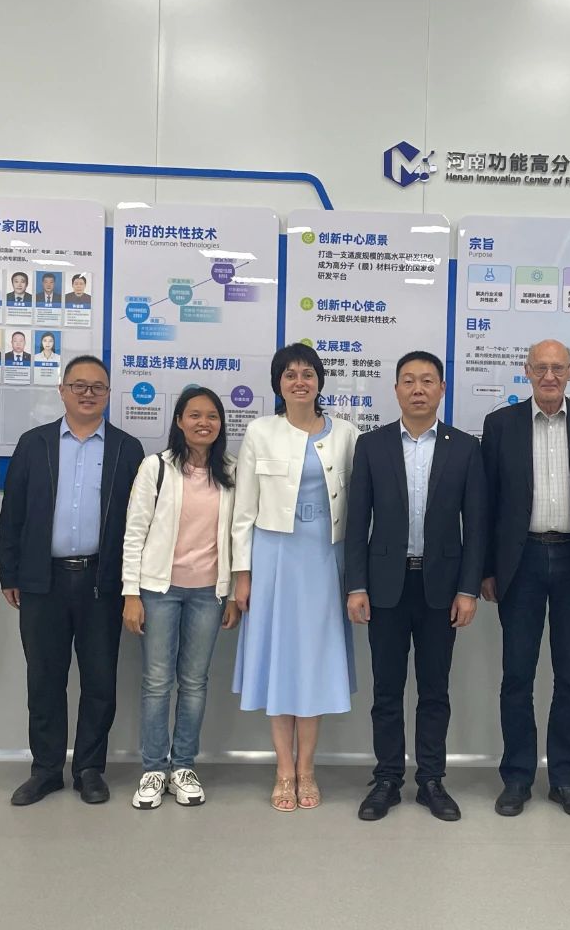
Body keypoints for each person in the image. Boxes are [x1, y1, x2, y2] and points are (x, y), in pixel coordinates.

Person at [346, 351, 487, 822]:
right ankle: (387, 778)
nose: (418, 389)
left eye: (427, 380)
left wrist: (468, 589)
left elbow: (476, 526)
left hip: (441, 588)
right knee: (386, 689)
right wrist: (356, 584)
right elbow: (357, 521)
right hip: (385, 586)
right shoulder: (372, 445)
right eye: (408, 380)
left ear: (442, 389)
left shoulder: (464, 447)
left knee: (434, 690)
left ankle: (430, 780)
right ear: (396, 390)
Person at [0, 356, 145, 806]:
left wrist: (131, 583)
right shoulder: (34, 443)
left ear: (108, 395)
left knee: (100, 680)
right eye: (78, 385)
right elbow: (13, 512)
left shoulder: (127, 449)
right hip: (43, 580)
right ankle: (45, 770)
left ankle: (89, 769)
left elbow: (138, 521)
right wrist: (10, 572)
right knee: (44, 679)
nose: (87, 393)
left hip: (102, 581)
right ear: (62, 391)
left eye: (97, 387)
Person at [481, 339, 570, 819]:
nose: (550, 376)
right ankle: (517, 778)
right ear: (527, 371)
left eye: (558, 368)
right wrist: (487, 569)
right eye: (541, 368)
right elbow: (487, 503)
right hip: (521, 563)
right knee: (517, 675)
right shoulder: (500, 425)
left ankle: (565, 780)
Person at [232, 343, 359, 811]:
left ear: (320, 381)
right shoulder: (260, 431)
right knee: (280, 663)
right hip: (275, 559)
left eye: (308, 373)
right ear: (278, 384)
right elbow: (244, 510)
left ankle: (308, 769)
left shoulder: (346, 433)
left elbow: (361, 506)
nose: (300, 381)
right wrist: (242, 575)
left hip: (326, 559)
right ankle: (284, 770)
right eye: (290, 375)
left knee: (313, 664)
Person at [122, 387, 237, 809]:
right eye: (195, 415)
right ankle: (154, 769)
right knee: (156, 681)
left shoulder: (231, 472)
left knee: (194, 682)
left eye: (212, 416)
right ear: (179, 421)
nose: (203, 423)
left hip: (209, 593)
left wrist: (233, 594)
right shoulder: (156, 468)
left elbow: (238, 536)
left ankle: (183, 766)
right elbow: (134, 532)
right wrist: (131, 593)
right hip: (159, 591)